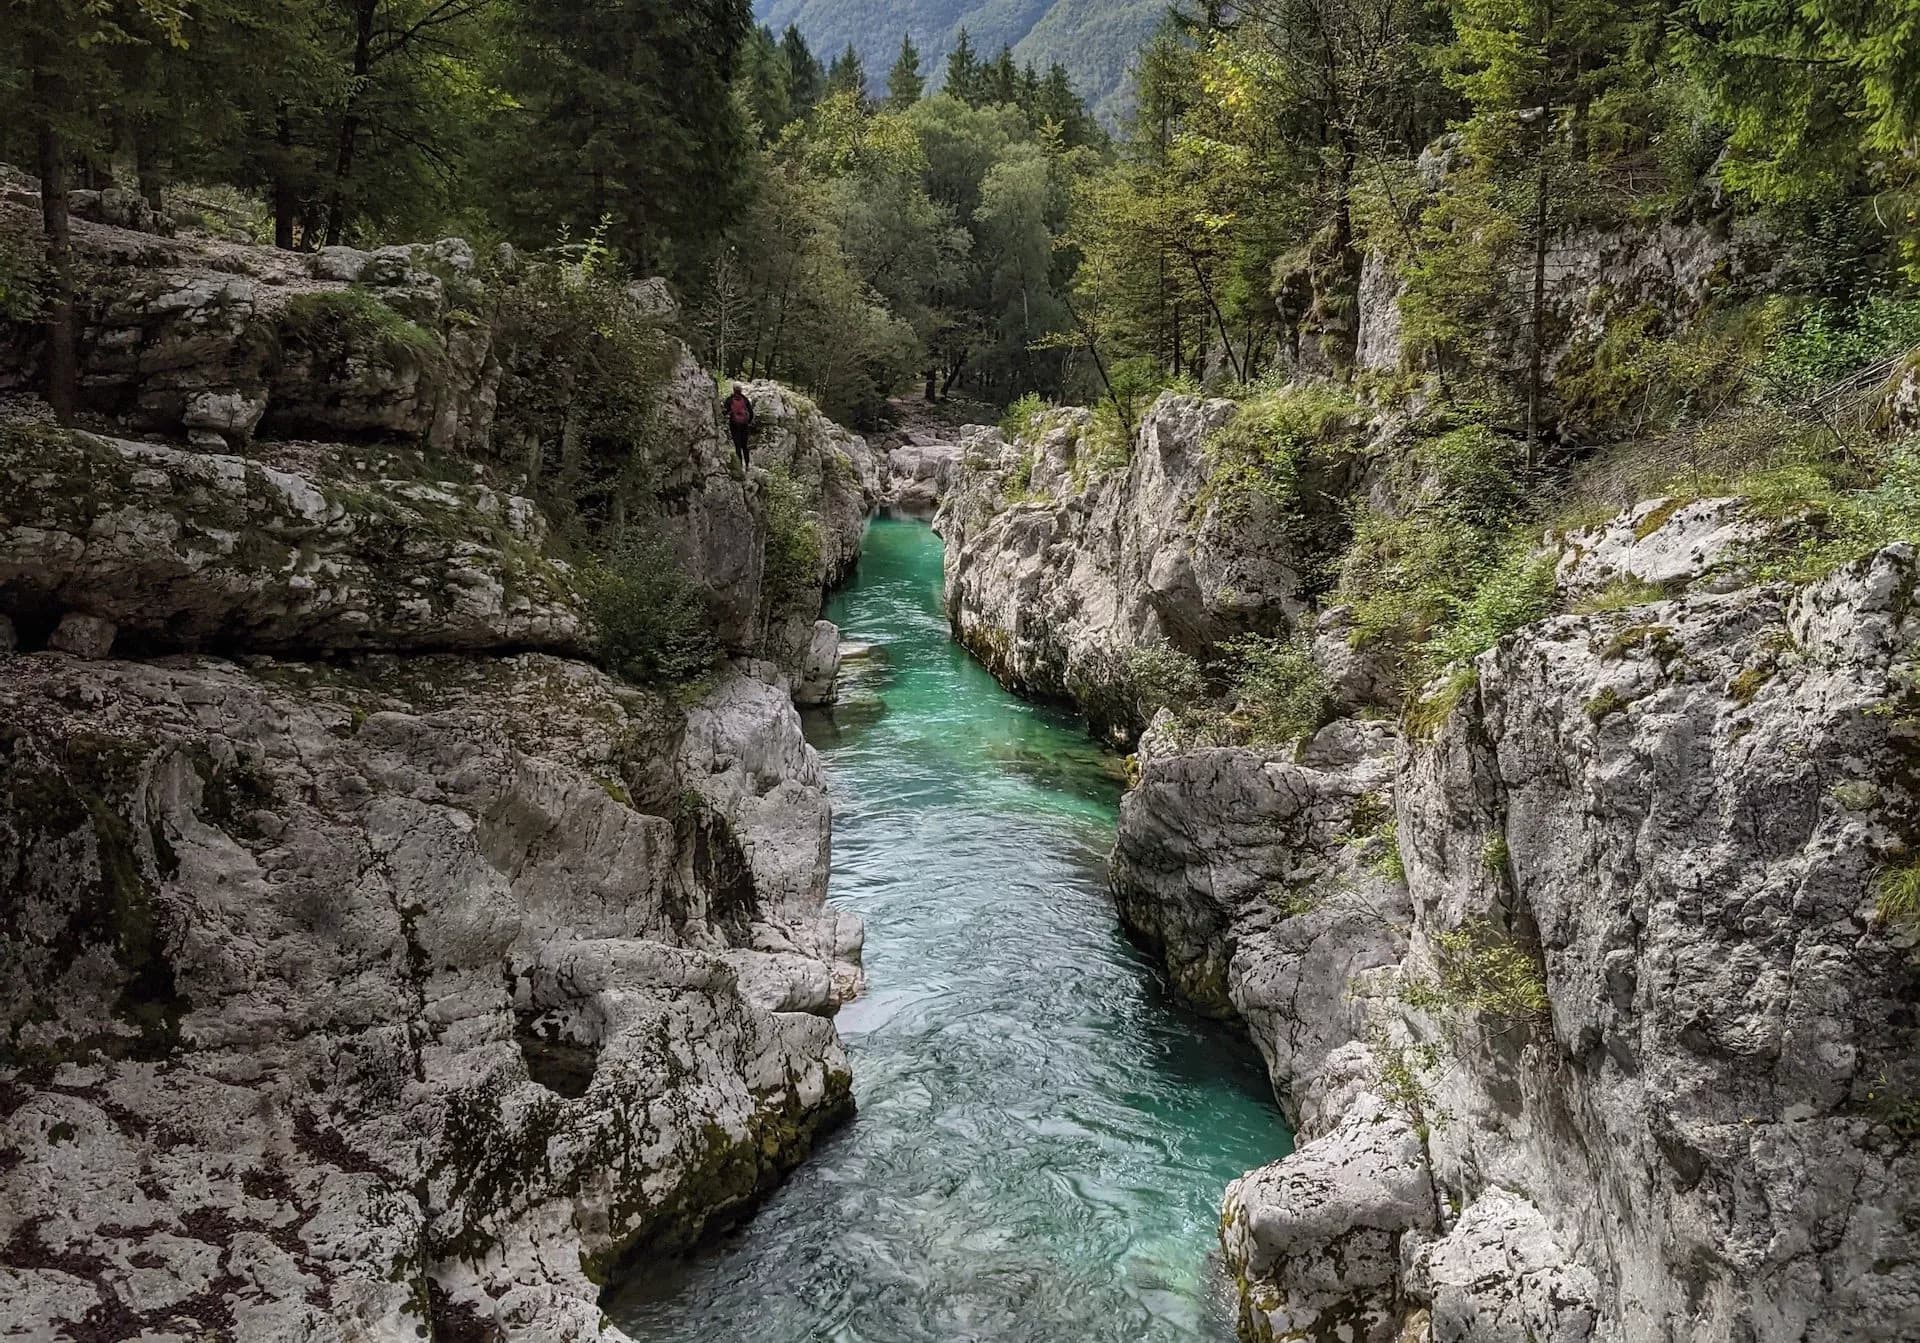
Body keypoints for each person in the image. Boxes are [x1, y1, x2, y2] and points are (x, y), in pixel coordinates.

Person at [723, 384, 755, 468]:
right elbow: (751, 413)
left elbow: (724, 412)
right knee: (745, 445)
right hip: (744, 425)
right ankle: (747, 465)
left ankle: (739, 465)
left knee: (737, 445)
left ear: (733, 390)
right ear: (741, 390)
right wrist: (748, 422)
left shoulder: (729, 399)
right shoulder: (745, 399)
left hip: (734, 425)